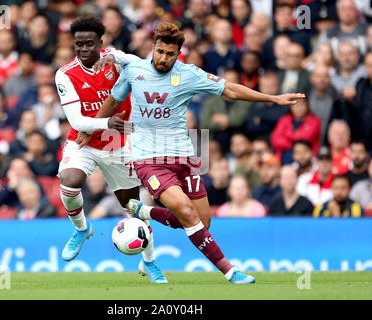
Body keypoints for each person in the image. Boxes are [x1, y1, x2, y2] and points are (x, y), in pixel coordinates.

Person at [89, 22, 304, 284]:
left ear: (178, 53)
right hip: (148, 160)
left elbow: (231, 90)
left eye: (170, 54)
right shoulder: (134, 70)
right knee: (186, 213)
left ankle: (143, 211)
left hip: (184, 158)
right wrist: (91, 128)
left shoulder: (189, 74)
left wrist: (273, 98)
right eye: (159, 51)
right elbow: (113, 99)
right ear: (152, 48)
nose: (163, 58)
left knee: (201, 222)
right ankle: (229, 271)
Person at [54, 15, 168, 283]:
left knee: (134, 207)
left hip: (119, 146)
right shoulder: (65, 74)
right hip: (84, 143)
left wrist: (119, 56)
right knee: (69, 181)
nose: (83, 50)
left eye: (89, 44)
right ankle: (82, 229)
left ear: (100, 43)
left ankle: (149, 263)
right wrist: (108, 121)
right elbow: (76, 121)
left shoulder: (115, 61)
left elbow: (143, 67)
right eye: (78, 44)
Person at [270, 98, 321, 165]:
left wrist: (287, 136)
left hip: (307, 160)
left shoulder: (315, 120)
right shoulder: (284, 120)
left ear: (307, 106)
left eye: (301, 104)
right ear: (290, 106)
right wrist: (293, 144)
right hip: (284, 158)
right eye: (295, 105)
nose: (298, 108)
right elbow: (275, 140)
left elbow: (306, 137)